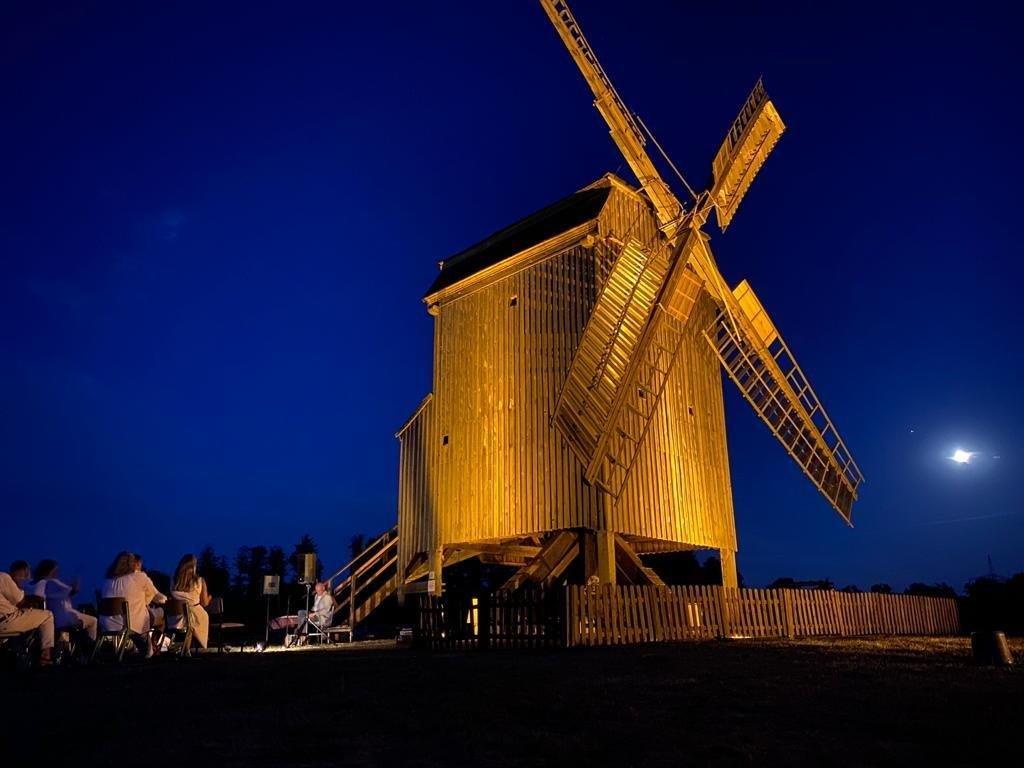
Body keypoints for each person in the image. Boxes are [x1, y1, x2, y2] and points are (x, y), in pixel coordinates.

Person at [100, 551, 166, 656]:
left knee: (144, 612)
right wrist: (165, 600)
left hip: (108, 624)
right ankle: (153, 645)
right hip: (130, 624)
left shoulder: (107, 582)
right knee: (161, 615)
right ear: (132, 564)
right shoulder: (139, 577)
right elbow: (156, 596)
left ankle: (147, 647)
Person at [32, 559, 98, 642]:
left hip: (53, 619)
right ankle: (90, 647)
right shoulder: (53, 582)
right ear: (52, 570)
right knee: (93, 620)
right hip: (65, 617)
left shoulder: (39, 584)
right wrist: (76, 582)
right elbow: (73, 590)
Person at [0, 569, 54, 665]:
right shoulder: (2, 577)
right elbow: (21, 601)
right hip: (7, 621)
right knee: (47, 616)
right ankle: (46, 655)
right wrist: (35, 598)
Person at [169, 554, 211, 650]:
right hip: (190, 617)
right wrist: (209, 598)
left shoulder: (173, 581)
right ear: (194, 566)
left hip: (174, 619)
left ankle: (185, 648)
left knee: (190, 617)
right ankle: (191, 648)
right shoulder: (199, 581)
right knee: (196, 617)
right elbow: (204, 603)